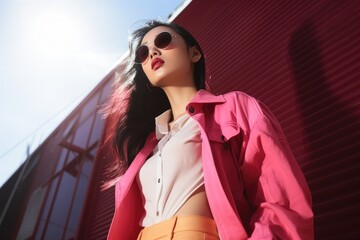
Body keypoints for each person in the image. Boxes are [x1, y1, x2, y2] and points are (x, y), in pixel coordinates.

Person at [104, 20, 314, 240]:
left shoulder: (234, 108)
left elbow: (278, 200)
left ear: (194, 53)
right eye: (143, 53)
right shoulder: (149, 143)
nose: (153, 52)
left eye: (163, 40)